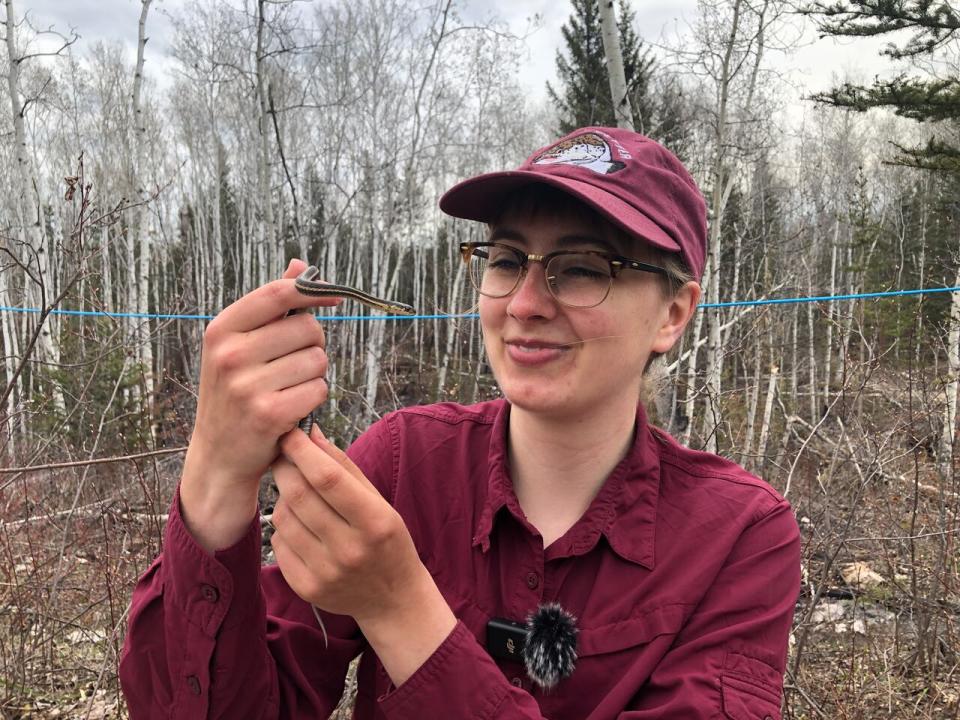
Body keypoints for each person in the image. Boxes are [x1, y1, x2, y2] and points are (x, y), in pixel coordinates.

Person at [119, 126, 800, 719]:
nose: (526, 303)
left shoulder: (738, 536)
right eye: (506, 260)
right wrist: (215, 475)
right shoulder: (405, 461)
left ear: (673, 314)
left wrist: (399, 607)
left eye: (583, 268)